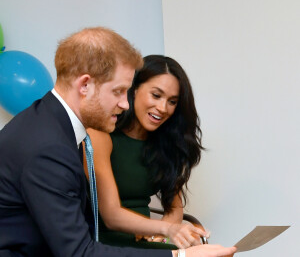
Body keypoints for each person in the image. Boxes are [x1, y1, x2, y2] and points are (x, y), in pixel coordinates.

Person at [0, 27, 236, 257]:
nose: (125, 104)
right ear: (84, 85)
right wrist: (182, 256)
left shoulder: (47, 122)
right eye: (118, 92)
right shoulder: (49, 147)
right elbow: (78, 252)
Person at [85, 56, 210, 250]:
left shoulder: (166, 144)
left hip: (146, 243)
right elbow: (111, 216)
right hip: (106, 245)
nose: (162, 108)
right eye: (156, 95)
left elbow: (175, 208)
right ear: (134, 89)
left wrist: (164, 236)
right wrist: (167, 230)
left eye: (172, 101)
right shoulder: (101, 135)